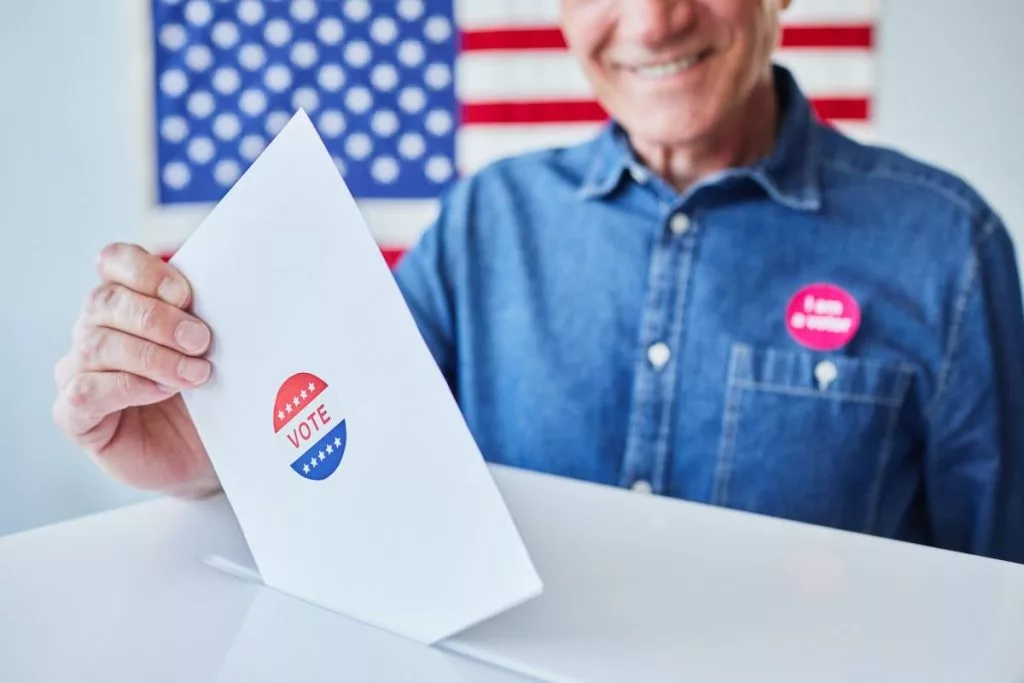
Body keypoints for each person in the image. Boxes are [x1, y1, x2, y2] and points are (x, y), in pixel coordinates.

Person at [53, 0, 1024, 563]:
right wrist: (205, 447)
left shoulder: (948, 248)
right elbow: (341, 458)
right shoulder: (487, 219)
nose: (654, 20)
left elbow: (999, 602)